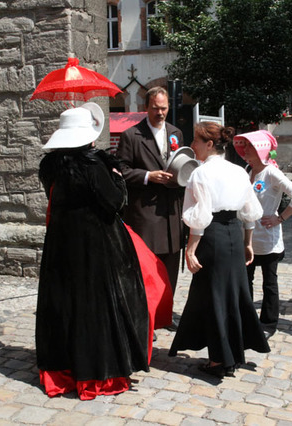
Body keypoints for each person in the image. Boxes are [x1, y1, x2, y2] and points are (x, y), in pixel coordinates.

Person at [36, 103, 149, 399]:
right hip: (95, 245)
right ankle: (94, 372)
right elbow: (113, 203)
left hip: (61, 243)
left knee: (64, 304)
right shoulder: (94, 165)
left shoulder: (50, 165)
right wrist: (116, 177)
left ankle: (65, 369)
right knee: (94, 307)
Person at [168, 122, 270, 379]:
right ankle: (230, 353)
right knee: (232, 294)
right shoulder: (238, 171)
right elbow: (250, 212)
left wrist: (191, 250)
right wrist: (247, 242)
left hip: (213, 237)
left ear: (210, 144)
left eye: (196, 141)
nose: (192, 146)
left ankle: (218, 360)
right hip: (234, 234)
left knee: (214, 296)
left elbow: (199, 218)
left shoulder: (200, 174)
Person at [116, 87, 185, 327]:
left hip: (171, 212)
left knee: (171, 266)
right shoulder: (131, 135)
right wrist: (148, 176)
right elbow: (121, 171)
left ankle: (165, 314)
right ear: (146, 107)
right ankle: (147, 319)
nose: (160, 113)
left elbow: (182, 164)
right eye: (155, 108)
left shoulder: (176, 133)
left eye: (164, 108)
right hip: (145, 213)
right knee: (147, 268)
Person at [233, 130, 292, 338]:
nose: (245, 150)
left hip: (267, 238)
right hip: (247, 237)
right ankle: (246, 319)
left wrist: (280, 218)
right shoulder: (247, 170)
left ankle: (268, 323)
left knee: (269, 283)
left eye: (249, 146)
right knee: (245, 281)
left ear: (260, 149)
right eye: (244, 146)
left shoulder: (271, 172)